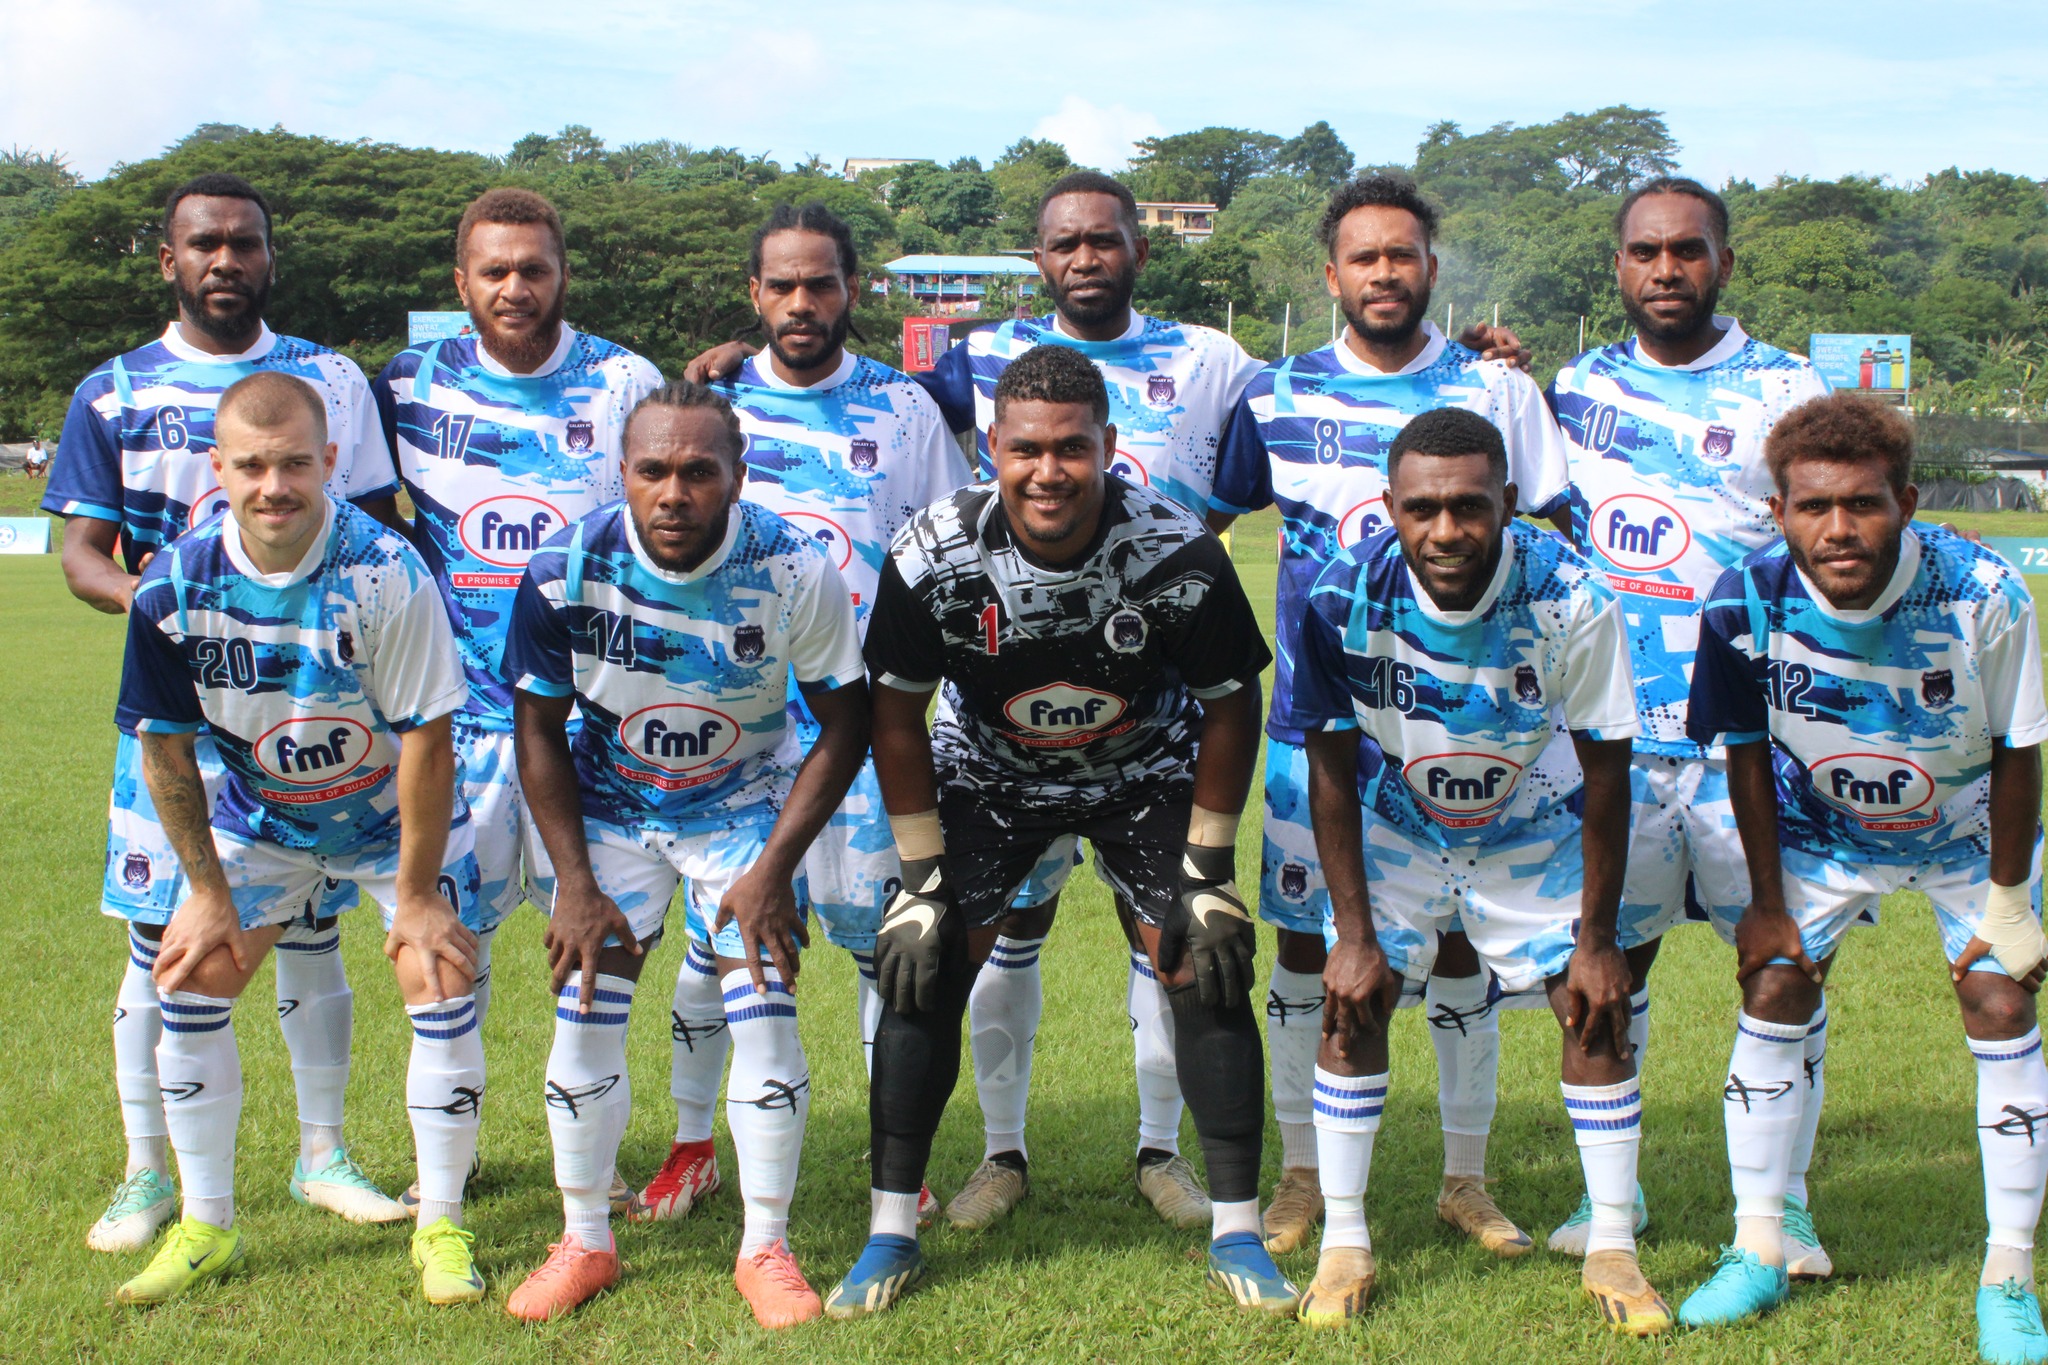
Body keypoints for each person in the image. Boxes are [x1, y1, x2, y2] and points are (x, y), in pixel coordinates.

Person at [687, 169, 1266, 1231]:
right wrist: (744, 354)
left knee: (1186, 942)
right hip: (993, 735)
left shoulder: (1211, 358)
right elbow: (841, 374)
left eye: (1104, 238)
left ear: (1140, 246)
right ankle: (996, 1158)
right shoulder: (971, 367)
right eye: (1063, 242)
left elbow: (1302, 404)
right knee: (970, 941)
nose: (1084, 256)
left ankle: (1164, 1154)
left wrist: (1472, 361)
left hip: (1144, 720)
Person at [833, 344, 1285, 1318]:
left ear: (1108, 446)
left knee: (1204, 958)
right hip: (988, 769)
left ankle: (1239, 1230)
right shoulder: (932, 553)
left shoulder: (1176, 552)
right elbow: (896, 714)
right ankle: (888, 1230)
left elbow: (1230, 702)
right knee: (920, 964)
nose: (1049, 471)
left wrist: (1207, 869)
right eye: (1027, 449)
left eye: (1072, 448)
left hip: (1142, 768)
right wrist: (920, 880)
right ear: (992, 447)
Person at [1207, 173, 1571, 1259]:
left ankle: (1465, 1178)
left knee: (1458, 949)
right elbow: (1204, 527)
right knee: (1306, 949)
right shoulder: (1273, 394)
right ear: (1331, 276)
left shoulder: (1497, 390)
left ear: (1430, 269)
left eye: (1401, 255)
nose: (1383, 273)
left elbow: (1554, 533)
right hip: (1315, 729)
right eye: (1363, 257)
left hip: (1466, 731)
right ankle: (1301, 1176)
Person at [42, 171, 408, 1254]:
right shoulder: (113, 391)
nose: (225, 261)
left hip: (309, 708)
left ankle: (322, 1155)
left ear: (269, 257)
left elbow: (376, 530)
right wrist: (176, 619)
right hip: (179, 715)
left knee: (311, 928)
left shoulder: (331, 381)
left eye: (244, 243)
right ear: (170, 260)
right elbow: (80, 553)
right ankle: (145, 1175)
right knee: (163, 939)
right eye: (204, 243)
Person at [619, 202, 967, 1230]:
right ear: (755, 294)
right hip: (730, 734)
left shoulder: (901, 408)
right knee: (713, 953)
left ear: (851, 290)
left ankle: (893, 1158)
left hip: (858, 729)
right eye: (782, 285)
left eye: (821, 283)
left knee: (883, 953)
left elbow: (944, 549)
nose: (802, 302)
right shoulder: (710, 401)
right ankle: (692, 1148)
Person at [1681, 393, 2048, 1364]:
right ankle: (1760, 1244)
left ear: (1905, 502)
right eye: (1813, 506)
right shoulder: (1742, 599)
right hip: (1821, 831)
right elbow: (1745, 752)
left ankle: (2007, 1278)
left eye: (1862, 503)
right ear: (1777, 511)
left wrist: (2010, 904)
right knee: (1774, 986)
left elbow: (2018, 752)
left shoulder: (1982, 592)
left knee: (2000, 1001)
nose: (1837, 528)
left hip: (1965, 831)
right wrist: (1766, 905)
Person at [110, 371, 487, 1306]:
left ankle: (441, 1224)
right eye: (251, 466)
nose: (273, 486)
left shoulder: (387, 569)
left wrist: (414, 896)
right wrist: (208, 892)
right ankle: (207, 1227)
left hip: (389, 817)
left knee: (437, 972)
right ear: (218, 467)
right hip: (264, 817)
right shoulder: (174, 584)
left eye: (293, 464)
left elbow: (428, 740)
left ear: (329, 461)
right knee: (189, 975)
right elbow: (165, 749)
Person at [501, 382, 869, 1326]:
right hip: (611, 804)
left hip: (741, 803)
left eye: (699, 471)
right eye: (653, 470)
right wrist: (575, 882)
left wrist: (772, 871)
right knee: (584, 1008)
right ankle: (584, 1239)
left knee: (766, 1011)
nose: (674, 492)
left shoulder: (793, 568)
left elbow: (846, 724)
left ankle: (766, 1247)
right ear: (622, 473)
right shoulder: (563, 568)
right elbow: (537, 729)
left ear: (737, 476)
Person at [1290, 405, 1663, 1332]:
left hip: (1530, 824)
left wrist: (1597, 938)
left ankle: (1614, 1243)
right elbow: (1328, 770)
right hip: (1400, 826)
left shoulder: (1572, 596)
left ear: (1508, 500)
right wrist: (1353, 934)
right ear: (1390, 505)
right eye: (1422, 509)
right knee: (1354, 995)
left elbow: (1608, 772)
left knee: (1591, 1001)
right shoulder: (1339, 594)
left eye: (1470, 506)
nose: (1446, 530)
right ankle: (1345, 1243)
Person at [1543, 176, 1834, 1262]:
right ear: (1617, 265)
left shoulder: (1785, 387)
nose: (1666, 269)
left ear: (1722, 261)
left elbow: (1821, 539)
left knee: (1781, 968)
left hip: (1746, 744)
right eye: (1645, 251)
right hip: (1612, 743)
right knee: (1608, 966)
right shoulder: (1577, 387)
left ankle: (1784, 1201)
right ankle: (1609, 1203)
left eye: (1687, 250)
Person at [371, 188, 663, 1207]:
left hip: (587, 729)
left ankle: (591, 1164)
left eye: (533, 268)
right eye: (493, 270)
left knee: (595, 952)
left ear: (562, 273)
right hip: (455, 727)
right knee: (449, 949)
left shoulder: (624, 380)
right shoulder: (408, 383)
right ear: (460, 281)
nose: (514, 287)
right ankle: (443, 1177)